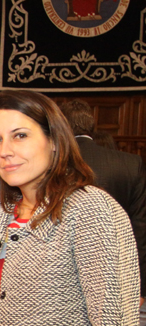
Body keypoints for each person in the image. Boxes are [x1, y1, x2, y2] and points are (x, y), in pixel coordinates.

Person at [0, 90, 139, 325]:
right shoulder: (2, 212)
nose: (5, 151)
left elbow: (114, 318)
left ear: (53, 141)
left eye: (20, 136)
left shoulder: (90, 209)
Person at [59, 99, 146, 309]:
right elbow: (140, 228)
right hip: (115, 268)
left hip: (61, 272)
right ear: (92, 125)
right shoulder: (131, 163)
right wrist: (139, 287)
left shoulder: (53, 161)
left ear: (60, 125)